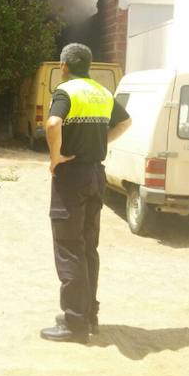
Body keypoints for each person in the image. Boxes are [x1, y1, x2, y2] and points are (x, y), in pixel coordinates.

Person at [40, 43, 132, 344]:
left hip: (72, 178)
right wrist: (102, 140)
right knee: (88, 247)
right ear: (88, 65)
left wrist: (55, 157)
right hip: (96, 175)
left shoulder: (66, 91)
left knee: (69, 247)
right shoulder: (103, 93)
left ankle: (74, 324)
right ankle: (88, 315)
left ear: (65, 66)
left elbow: (53, 123)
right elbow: (126, 121)